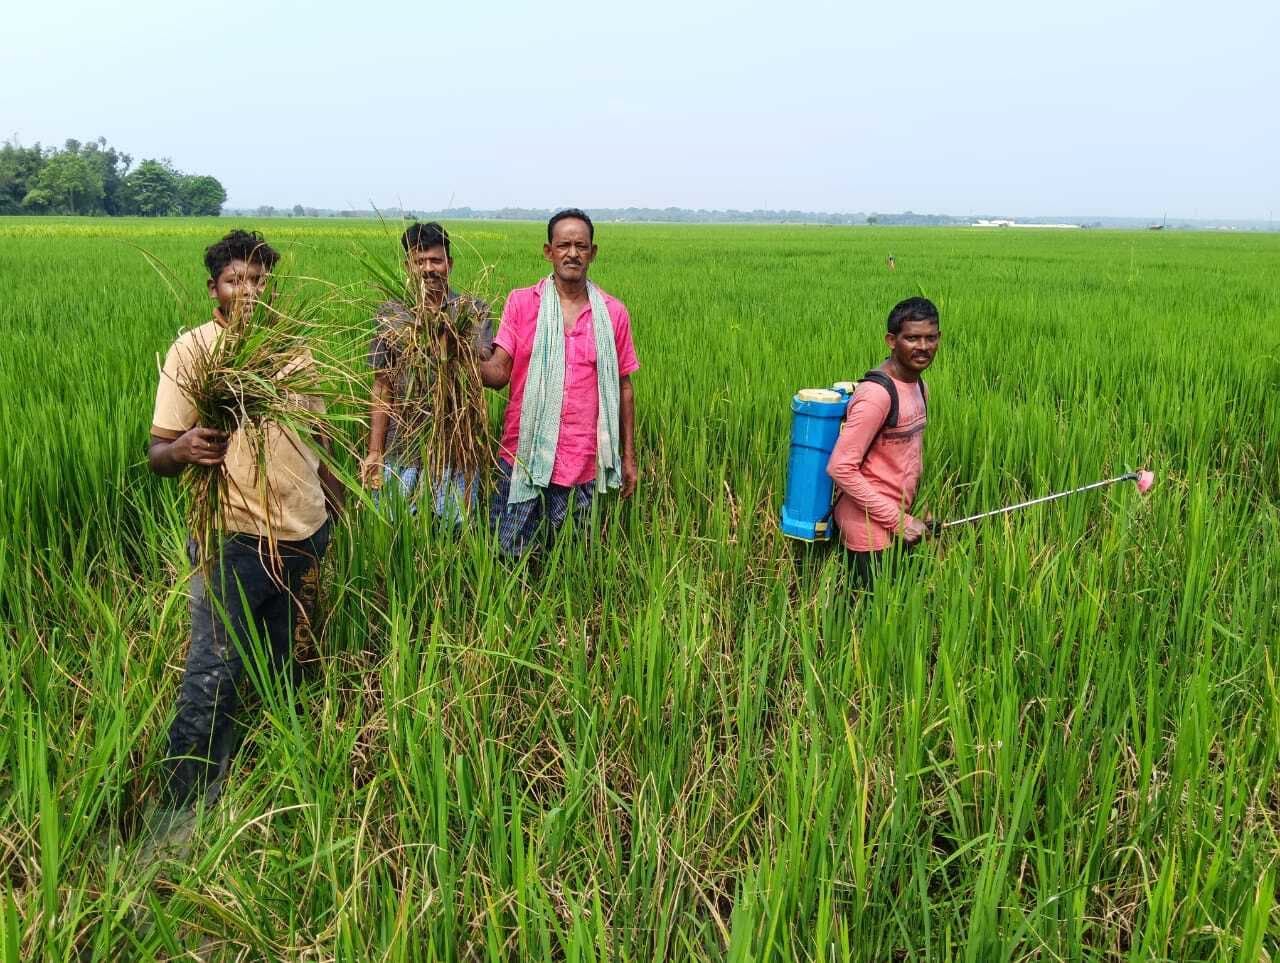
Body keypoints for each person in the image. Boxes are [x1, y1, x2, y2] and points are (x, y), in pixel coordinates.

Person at [148, 229, 343, 812]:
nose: (250, 291)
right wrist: (184, 449)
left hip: (305, 531)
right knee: (212, 672)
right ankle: (182, 808)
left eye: (260, 280)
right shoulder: (194, 352)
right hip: (230, 537)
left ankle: (277, 781)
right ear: (215, 287)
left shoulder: (294, 353)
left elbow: (320, 440)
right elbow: (159, 453)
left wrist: (337, 504)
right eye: (237, 280)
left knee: (290, 662)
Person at [479, 209, 639, 557]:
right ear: (548, 251)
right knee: (508, 553)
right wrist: (462, 360)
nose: (572, 253)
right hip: (523, 452)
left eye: (580, 246)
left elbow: (624, 386)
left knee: (573, 558)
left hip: (583, 459)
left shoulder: (612, 313)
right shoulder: (522, 303)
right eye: (563, 245)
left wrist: (628, 458)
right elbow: (499, 370)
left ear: (592, 252)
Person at [361, 221, 493, 522]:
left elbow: (482, 366)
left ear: (450, 263)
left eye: (436, 260)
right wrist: (375, 450)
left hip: (456, 452)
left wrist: (450, 340)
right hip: (402, 448)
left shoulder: (472, 311)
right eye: (420, 261)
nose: (428, 269)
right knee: (397, 531)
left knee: (454, 533)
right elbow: (382, 385)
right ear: (408, 265)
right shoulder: (391, 314)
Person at [826, 296, 940, 587]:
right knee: (876, 618)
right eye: (912, 338)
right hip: (867, 529)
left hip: (896, 519)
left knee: (896, 607)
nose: (923, 347)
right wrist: (898, 520)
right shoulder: (876, 396)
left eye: (930, 338)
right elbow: (840, 467)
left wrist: (914, 512)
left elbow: (904, 458)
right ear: (892, 340)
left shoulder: (919, 386)